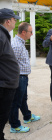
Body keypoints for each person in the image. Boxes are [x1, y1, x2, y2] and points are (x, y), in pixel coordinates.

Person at [9, 22, 41, 133]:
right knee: (16, 102)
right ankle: (15, 126)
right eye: (30, 32)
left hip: (23, 77)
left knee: (22, 99)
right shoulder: (16, 45)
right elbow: (11, 64)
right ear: (24, 32)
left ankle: (27, 116)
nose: (32, 34)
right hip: (19, 77)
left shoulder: (20, 42)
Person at [0, 8, 20, 140]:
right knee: (1, 116)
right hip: (3, 85)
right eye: (14, 19)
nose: (15, 22)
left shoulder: (3, 34)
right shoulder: (1, 36)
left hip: (7, 84)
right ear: (8, 21)